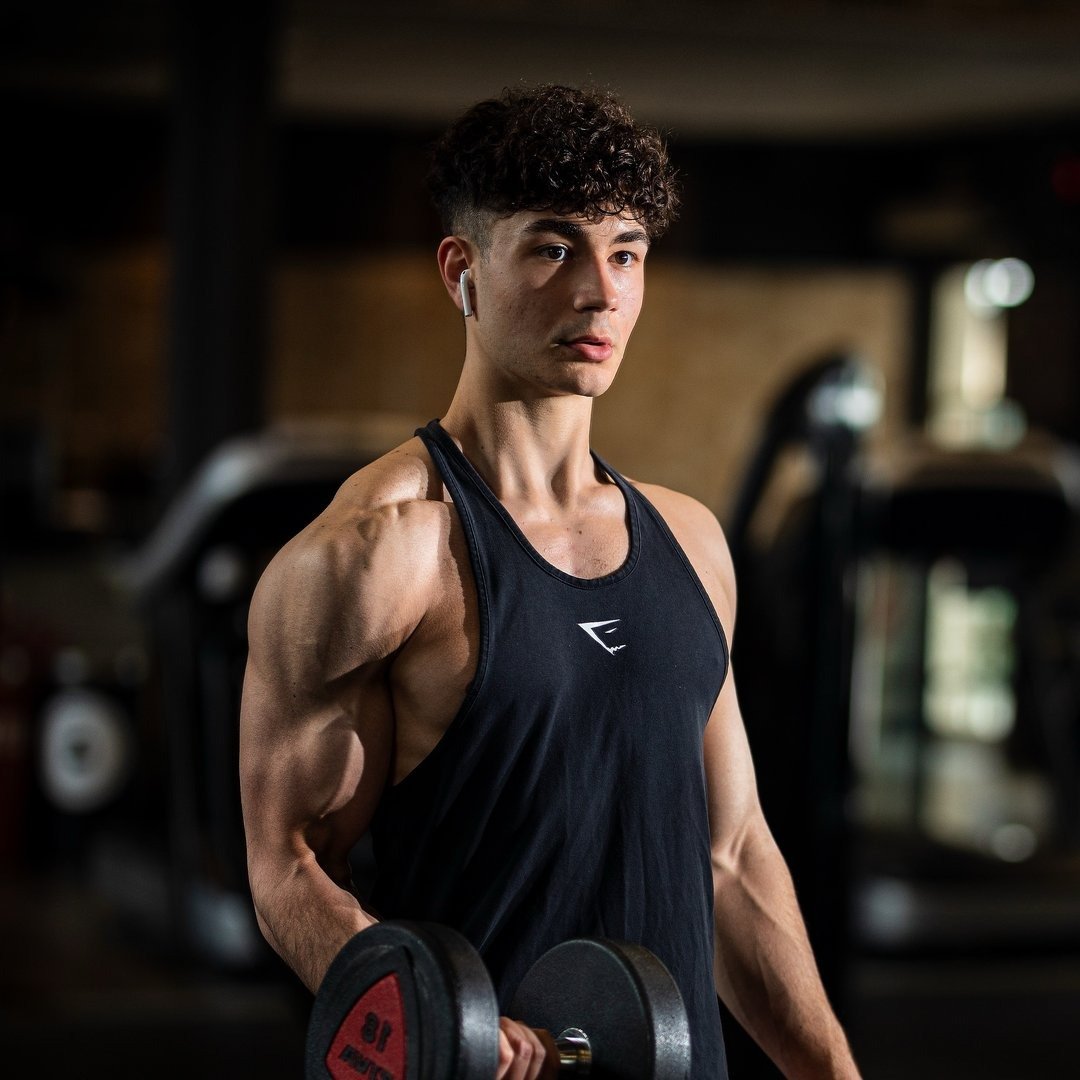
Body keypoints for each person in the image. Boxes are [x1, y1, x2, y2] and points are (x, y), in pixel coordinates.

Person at [240, 84, 860, 1079]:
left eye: (624, 253)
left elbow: (732, 856)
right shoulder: (375, 558)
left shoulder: (690, 544)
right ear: (463, 271)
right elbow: (289, 866)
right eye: (552, 247)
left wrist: (831, 1069)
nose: (600, 292)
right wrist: (446, 1026)